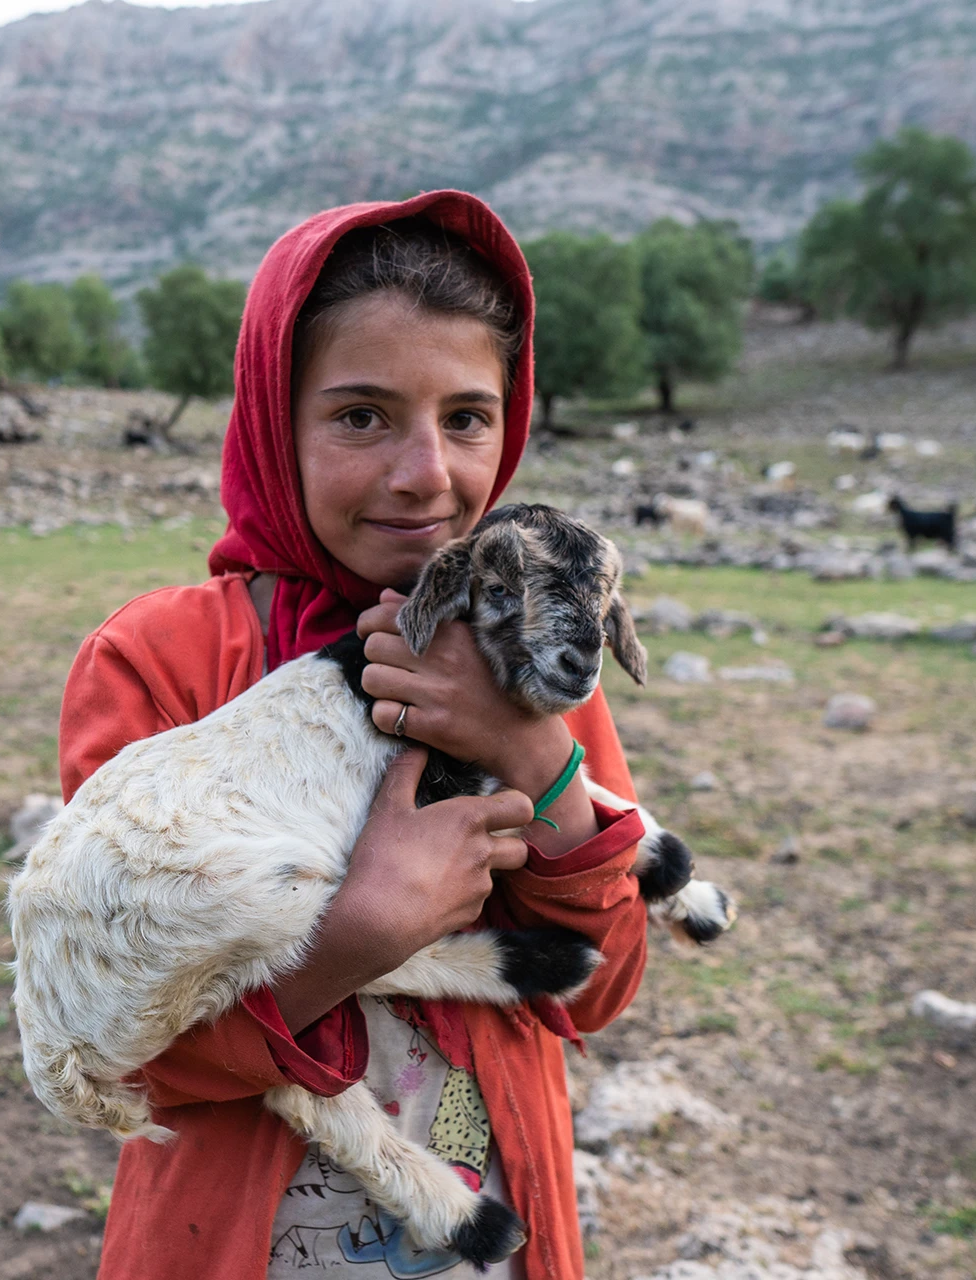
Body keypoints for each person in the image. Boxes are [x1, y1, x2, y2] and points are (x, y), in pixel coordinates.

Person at [56, 190, 651, 1279]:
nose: (427, 472)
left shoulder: (526, 655)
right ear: (270, 420)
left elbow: (599, 982)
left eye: (467, 417)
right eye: (362, 416)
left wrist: (526, 750)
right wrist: (356, 933)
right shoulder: (162, 663)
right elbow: (110, 1036)